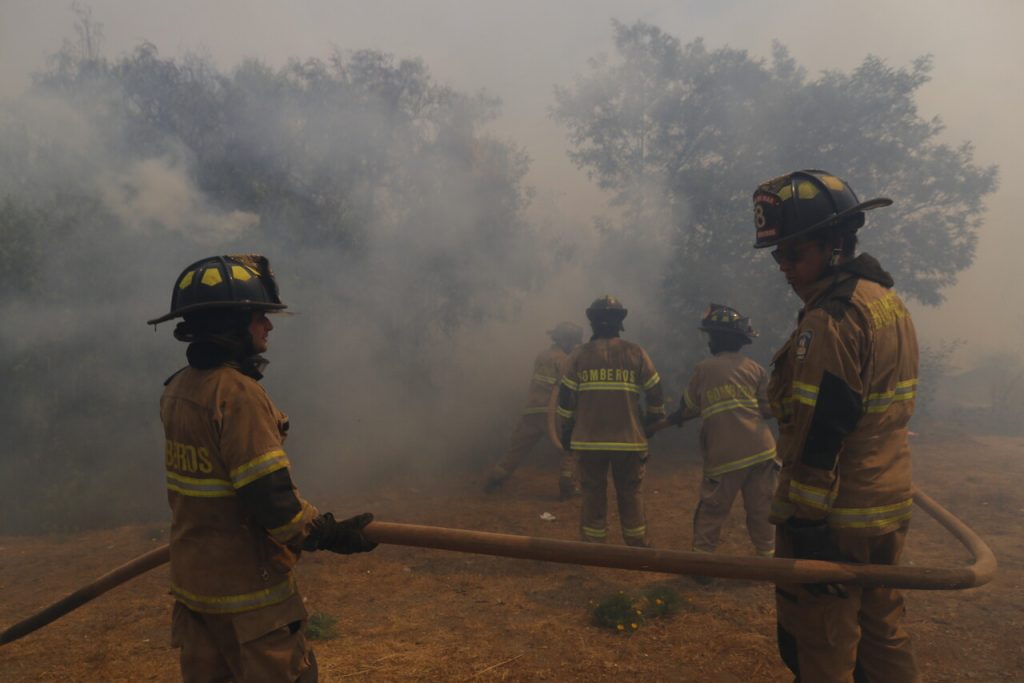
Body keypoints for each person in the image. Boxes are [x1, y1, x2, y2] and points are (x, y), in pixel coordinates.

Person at [149, 254, 378, 683]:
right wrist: (329, 533)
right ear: (232, 323)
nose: (268, 325)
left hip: (197, 593)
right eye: (259, 316)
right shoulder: (238, 395)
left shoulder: (178, 389)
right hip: (250, 601)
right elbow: (270, 498)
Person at [752, 171, 920, 681]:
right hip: (886, 500)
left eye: (794, 253)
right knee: (882, 629)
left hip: (835, 516)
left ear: (836, 245)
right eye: (778, 256)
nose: (785, 266)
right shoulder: (885, 301)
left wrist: (807, 525)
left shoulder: (831, 319)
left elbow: (820, 431)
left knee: (822, 639)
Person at [665, 304, 777, 559]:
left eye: (711, 336)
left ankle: (703, 564)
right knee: (762, 511)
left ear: (717, 338)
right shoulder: (755, 368)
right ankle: (768, 563)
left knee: (712, 511)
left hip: (725, 455)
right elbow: (769, 409)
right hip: (762, 451)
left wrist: (675, 417)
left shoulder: (705, 368)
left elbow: (689, 406)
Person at [557, 295, 665, 547]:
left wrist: (567, 428)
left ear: (593, 323)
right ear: (620, 323)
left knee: (593, 494)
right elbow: (654, 390)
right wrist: (653, 418)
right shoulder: (635, 352)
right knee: (631, 493)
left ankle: (593, 547)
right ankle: (636, 546)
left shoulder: (579, 354)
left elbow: (566, 397)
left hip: (589, 440)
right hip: (628, 440)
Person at [484, 321, 584, 499]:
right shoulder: (564, 360)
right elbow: (566, 388)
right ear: (567, 341)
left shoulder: (541, 356)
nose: (575, 346)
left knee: (517, 449)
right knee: (568, 448)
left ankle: (494, 479)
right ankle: (567, 486)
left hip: (531, 411)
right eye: (574, 342)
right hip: (552, 412)